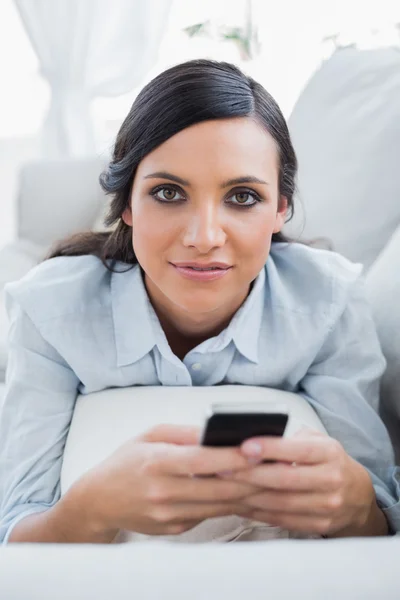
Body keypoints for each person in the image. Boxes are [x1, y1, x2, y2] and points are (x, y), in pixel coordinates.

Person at [0, 59, 399, 545]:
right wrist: (91, 508)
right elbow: (15, 529)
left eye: (243, 197)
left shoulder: (330, 303)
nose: (204, 237)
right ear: (126, 205)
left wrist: (357, 506)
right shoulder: (50, 309)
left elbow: (377, 517)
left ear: (281, 209)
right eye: (168, 193)